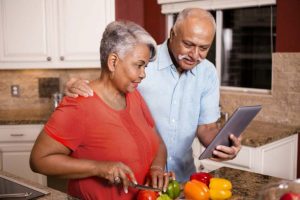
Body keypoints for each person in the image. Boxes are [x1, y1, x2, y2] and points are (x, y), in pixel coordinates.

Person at [64, 8, 242, 182]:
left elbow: (207, 128)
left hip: (183, 177)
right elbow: (107, 85)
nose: (195, 55)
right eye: (188, 44)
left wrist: (223, 145)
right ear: (172, 34)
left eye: (203, 48)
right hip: (139, 179)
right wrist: (76, 84)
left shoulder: (208, 72)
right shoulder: (143, 60)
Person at [30, 20, 171, 200]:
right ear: (113, 62)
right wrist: (98, 167)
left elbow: (157, 142)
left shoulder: (134, 95)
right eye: (138, 65)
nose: (143, 74)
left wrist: (156, 168)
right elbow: (38, 160)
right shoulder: (78, 106)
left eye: (145, 67)